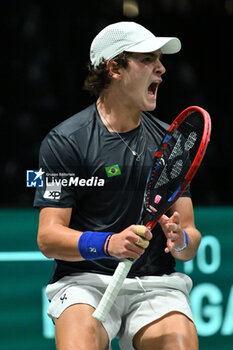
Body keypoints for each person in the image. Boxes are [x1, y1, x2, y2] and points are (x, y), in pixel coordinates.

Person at [34, 22, 201, 350]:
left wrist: (179, 239)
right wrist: (109, 243)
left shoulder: (172, 143)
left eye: (160, 59)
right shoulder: (65, 142)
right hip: (87, 282)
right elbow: (48, 238)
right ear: (114, 68)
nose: (161, 68)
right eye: (148, 59)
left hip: (154, 284)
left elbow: (190, 243)